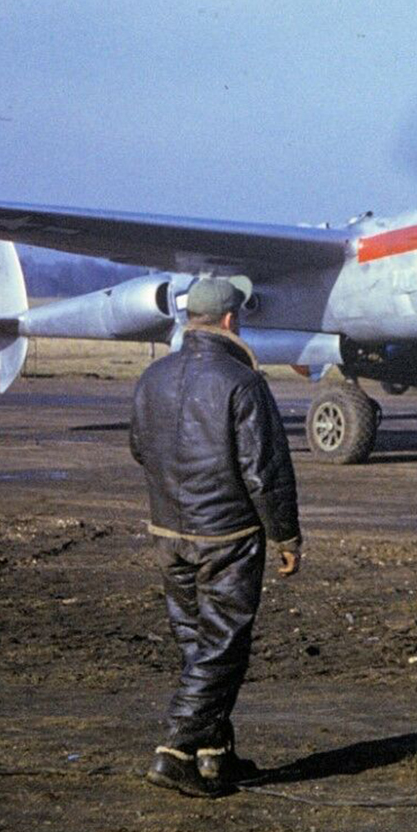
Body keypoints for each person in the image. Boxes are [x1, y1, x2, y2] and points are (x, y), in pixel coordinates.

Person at [129, 275, 301, 797]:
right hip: (226, 535)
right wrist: (286, 537)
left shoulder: (151, 377)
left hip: (167, 530)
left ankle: (214, 757)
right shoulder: (243, 383)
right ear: (230, 320)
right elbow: (265, 470)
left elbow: (139, 448)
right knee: (223, 647)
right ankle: (175, 749)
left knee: (198, 646)